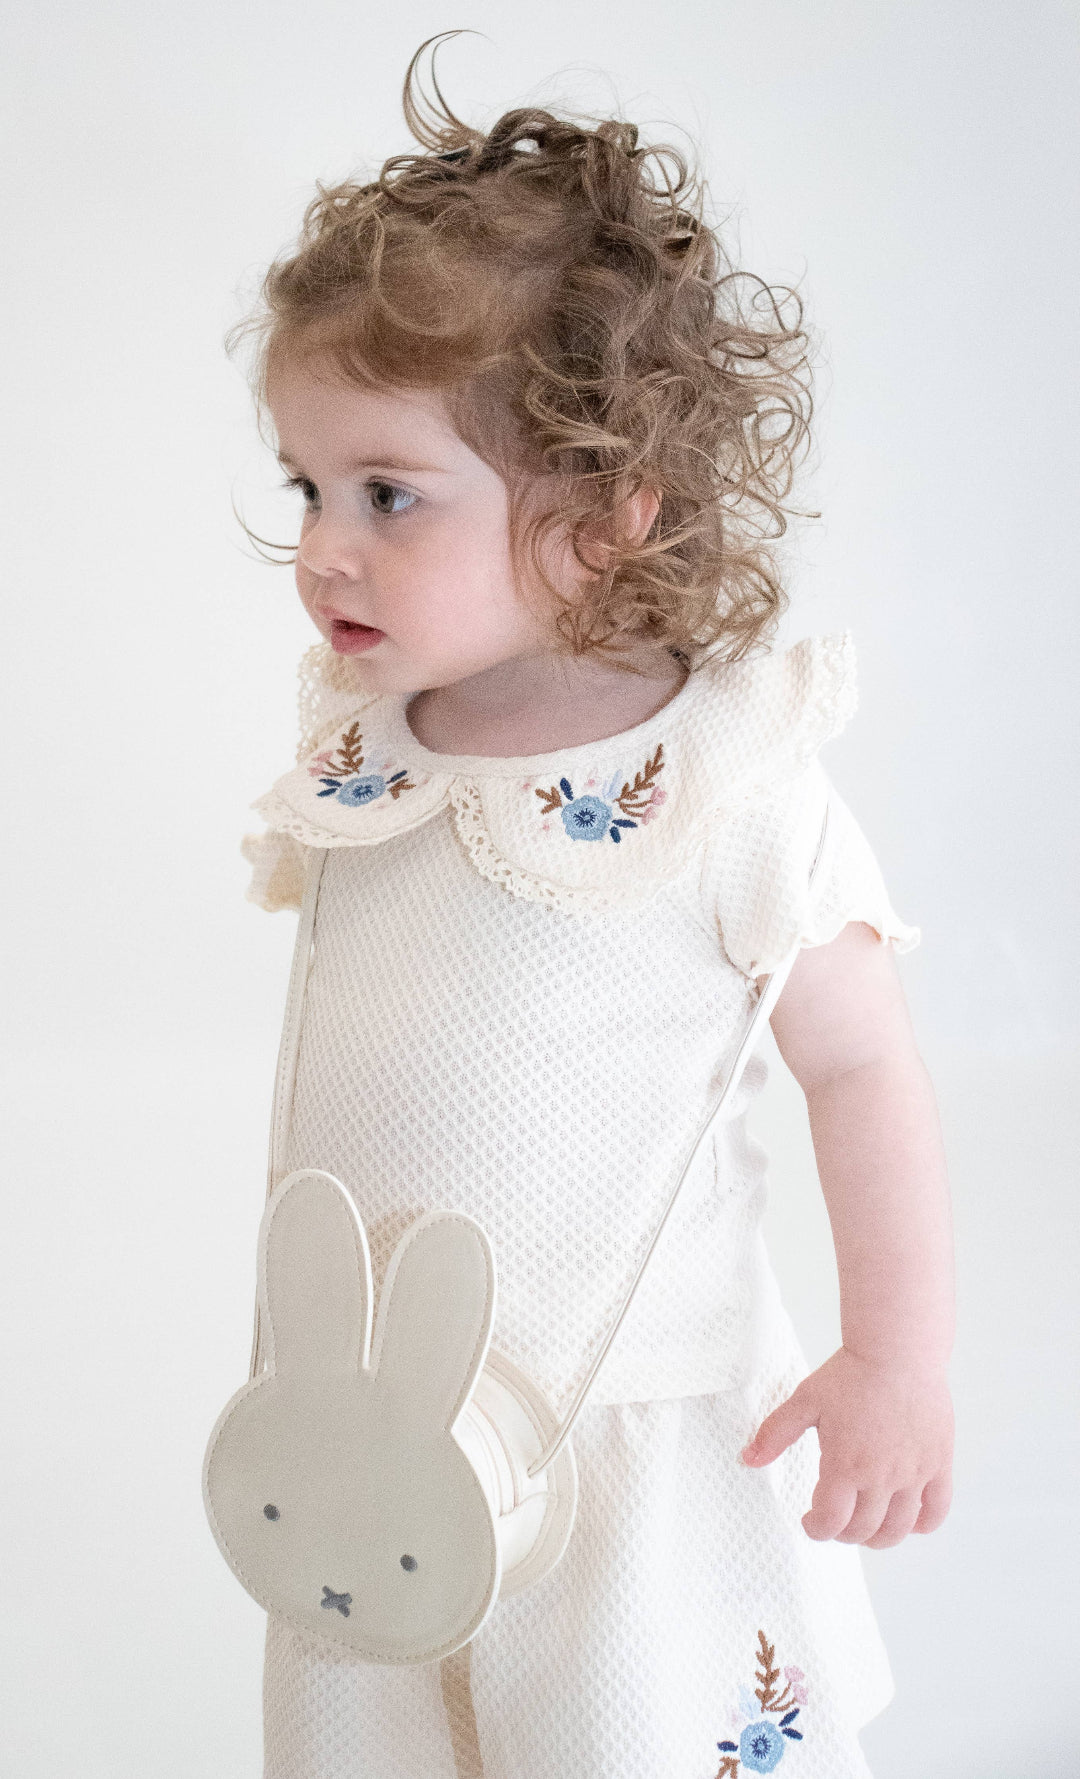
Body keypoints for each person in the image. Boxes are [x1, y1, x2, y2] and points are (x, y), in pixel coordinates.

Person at [231, 34, 954, 1779]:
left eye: (390, 495)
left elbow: (861, 1069)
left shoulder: (727, 784)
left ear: (604, 518)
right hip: (366, 1438)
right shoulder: (365, 755)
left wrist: (895, 1359)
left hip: (631, 1450)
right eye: (308, 488)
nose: (327, 545)